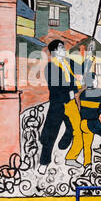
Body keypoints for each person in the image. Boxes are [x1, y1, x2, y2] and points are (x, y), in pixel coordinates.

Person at [38, 40, 78, 174]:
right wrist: (69, 92)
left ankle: (62, 146)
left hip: (71, 103)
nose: (64, 49)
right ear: (54, 51)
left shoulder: (69, 63)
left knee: (74, 128)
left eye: (63, 46)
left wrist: (90, 55)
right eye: (61, 47)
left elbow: (83, 68)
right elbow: (55, 87)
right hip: (58, 103)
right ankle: (44, 162)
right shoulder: (50, 67)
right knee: (50, 134)